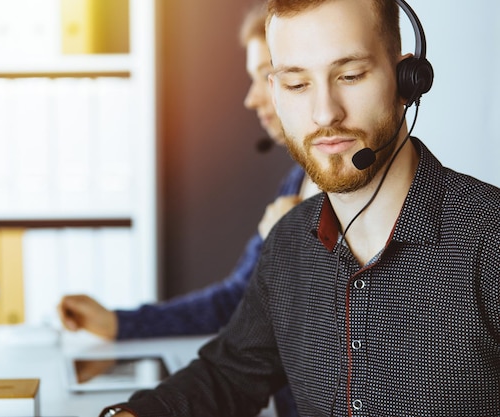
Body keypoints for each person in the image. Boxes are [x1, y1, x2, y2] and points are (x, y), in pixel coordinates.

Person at [97, 0, 500, 416]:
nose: (325, 112)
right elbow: (230, 374)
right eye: (297, 85)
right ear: (275, 92)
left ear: (406, 80)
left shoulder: (490, 239)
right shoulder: (288, 241)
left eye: (350, 75)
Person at [58, 4, 317, 417]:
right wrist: (120, 324)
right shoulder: (295, 183)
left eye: (268, 76)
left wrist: (292, 250)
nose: (252, 98)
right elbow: (235, 302)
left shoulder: (354, 205)